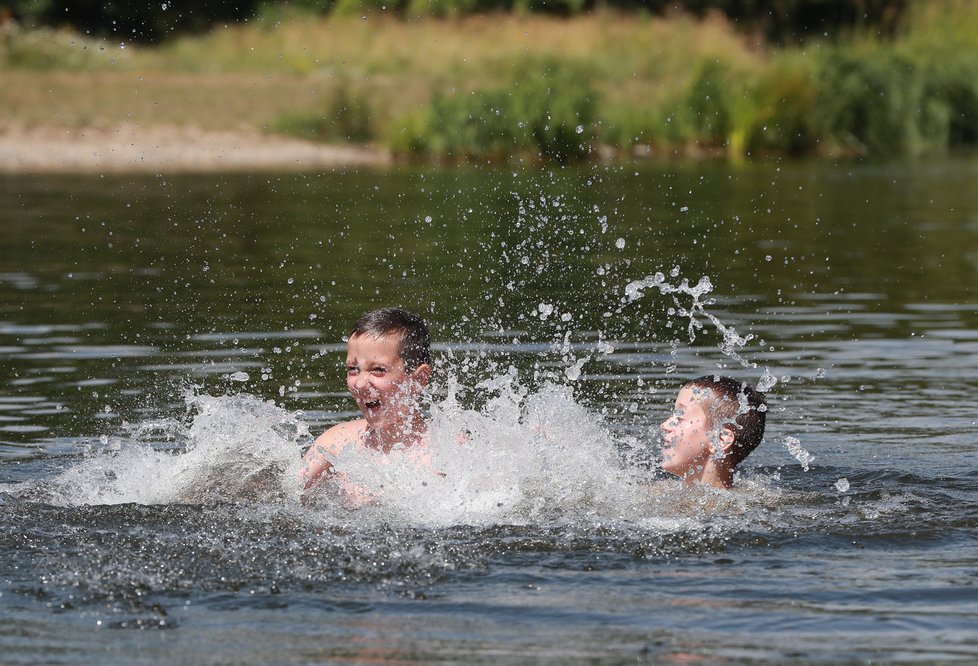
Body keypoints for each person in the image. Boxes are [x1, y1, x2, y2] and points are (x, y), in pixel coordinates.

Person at [300, 307, 432, 495]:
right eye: (353, 369)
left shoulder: (448, 451)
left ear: (418, 379)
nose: (360, 383)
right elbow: (287, 497)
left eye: (378, 369)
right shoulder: (336, 443)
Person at [659, 375, 767, 489]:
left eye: (680, 417)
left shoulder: (737, 505)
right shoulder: (661, 490)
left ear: (719, 439)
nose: (664, 425)